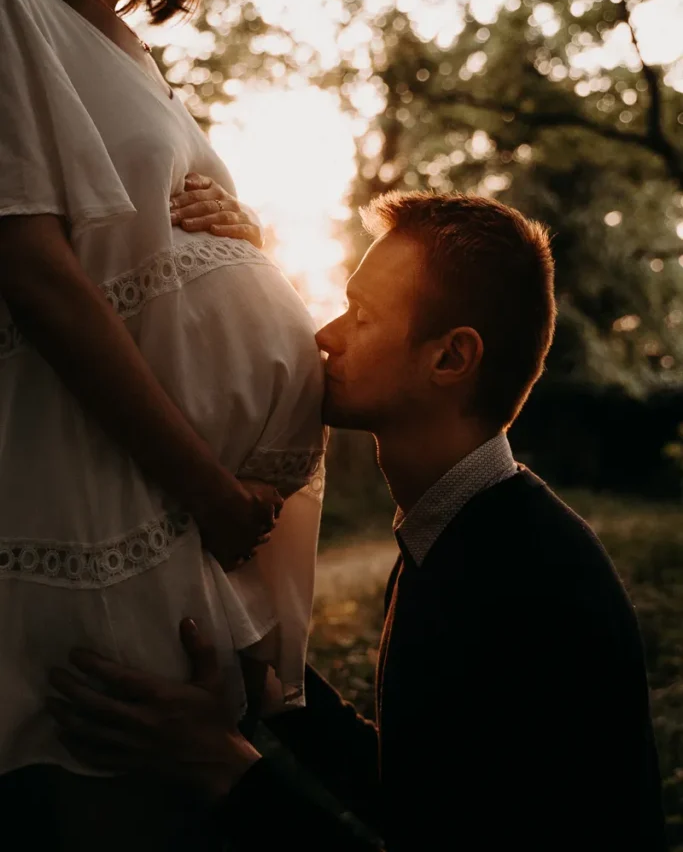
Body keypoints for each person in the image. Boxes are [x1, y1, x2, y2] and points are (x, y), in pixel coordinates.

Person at [49, 191, 669, 851]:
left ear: (450, 359)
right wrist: (268, 677)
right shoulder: (469, 528)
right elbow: (422, 793)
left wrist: (215, 759)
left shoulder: (527, 576)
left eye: (361, 314)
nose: (325, 335)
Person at [0, 0, 325, 848]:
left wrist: (252, 238)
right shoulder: (13, 10)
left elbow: (152, 242)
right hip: (102, 505)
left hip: (178, 525)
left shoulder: (128, 45)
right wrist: (206, 488)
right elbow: (36, 273)